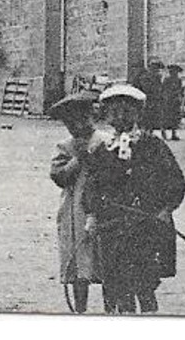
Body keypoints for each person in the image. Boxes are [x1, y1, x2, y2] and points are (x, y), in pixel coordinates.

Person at [84, 83, 185, 314]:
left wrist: (165, 208)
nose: (120, 116)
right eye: (114, 111)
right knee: (113, 278)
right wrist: (91, 214)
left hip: (145, 223)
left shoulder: (153, 146)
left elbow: (175, 181)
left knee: (144, 279)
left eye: (127, 110)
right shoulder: (102, 150)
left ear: (138, 113)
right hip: (112, 225)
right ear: (107, 115)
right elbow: (92, 185)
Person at [47, 89, 104, 314]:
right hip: (74, 210)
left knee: (105, 257)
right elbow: (59, 177)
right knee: (79, 262)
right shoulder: (65, 146)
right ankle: (80, 308)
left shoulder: (104, 141)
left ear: (91, 117)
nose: (77, 127)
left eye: (82, 120)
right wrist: (78, 159)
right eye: (70, 124)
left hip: (102, 207)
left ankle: (114, 306)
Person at [137, 60, 166, 133]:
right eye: (155, 68)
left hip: (156, 99)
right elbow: (145, 88)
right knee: (146, 116)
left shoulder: (158, 77)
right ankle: (145, 131)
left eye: (157, 69)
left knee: (156, 116)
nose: (157, 70)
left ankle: (153, 131)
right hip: (147, 99)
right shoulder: (145, 77)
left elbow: (161, 88)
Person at [159, 65, 185, 141]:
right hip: (168, 100)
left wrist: (180, 95)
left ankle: (174, 134)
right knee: (166, 116)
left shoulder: (178, 80)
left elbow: (180, 90)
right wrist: (166, 97)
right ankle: (163, 132)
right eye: (172, 72)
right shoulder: (167, 80)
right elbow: (163, 89)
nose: (174, 73)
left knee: (175, 117)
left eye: (175, 72)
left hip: (175, 100)